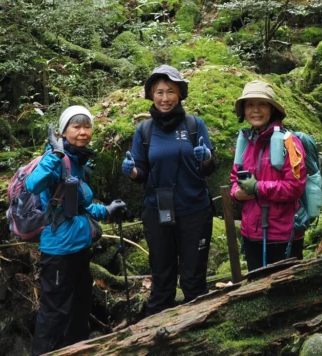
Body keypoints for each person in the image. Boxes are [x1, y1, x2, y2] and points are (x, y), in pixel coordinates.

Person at [27, 104, 127, 355]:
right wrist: (55, 155)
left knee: (80, 306)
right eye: (76, 126)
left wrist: (107, 210)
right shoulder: (57, 158)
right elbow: (33, 184)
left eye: (87, 126)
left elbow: (80, 206)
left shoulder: (79, 162)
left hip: (80, 247)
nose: (83, 132)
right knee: (55, 312)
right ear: (63, 132)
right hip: (58, 251)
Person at [121, 65, 216, 316]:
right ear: (151, 94)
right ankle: (156, 335)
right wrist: (131, 171)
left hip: (194, 210)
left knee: (194, 279)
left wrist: (205, 157)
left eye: (171, 91)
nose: (165, 98)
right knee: (162, 279)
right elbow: (141, 172)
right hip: (158, 211)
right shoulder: (144, 130)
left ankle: (199, 329)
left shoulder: (194, 125)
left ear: (180, 94)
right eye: (159, 92)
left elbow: (209, 168)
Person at [229, 80, 307, 271]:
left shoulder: (290, 143)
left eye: (262, 104)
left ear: (272, 109)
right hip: (251, 233)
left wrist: (257, 188)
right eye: (250, 105)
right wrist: (236, 193)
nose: (255, 110)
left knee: (287, 293)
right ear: (244, 111)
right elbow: (234, 179)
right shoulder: (245, 143)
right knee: (257, 288)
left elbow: (295, 187)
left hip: (283, 235)